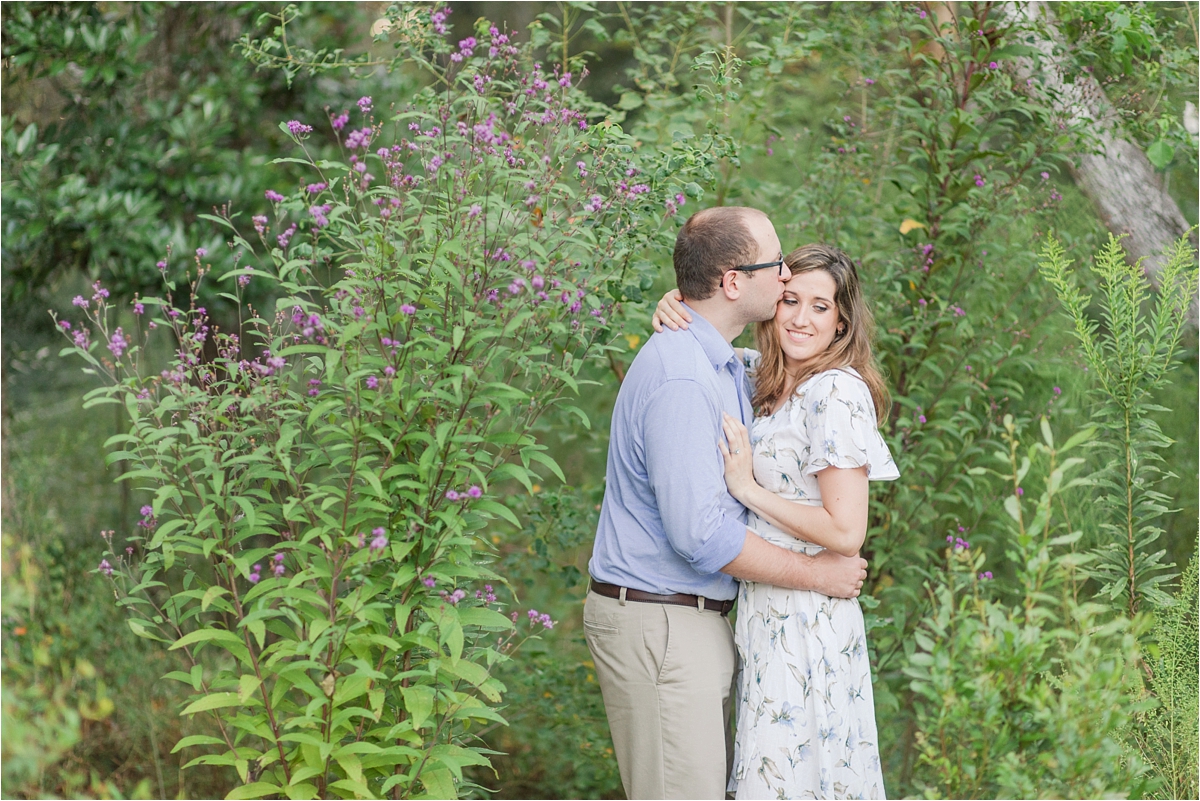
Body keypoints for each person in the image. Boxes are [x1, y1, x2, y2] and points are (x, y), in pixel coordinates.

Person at [585, 207, 871, 801]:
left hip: (709, 625)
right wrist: (817, 573)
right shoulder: (690, 375)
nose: (787, 273)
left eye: (820, 304)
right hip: (663, 622)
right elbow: (701, 536)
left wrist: (683, 302)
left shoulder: (726, 366)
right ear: (735, 282)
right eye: (778, 264)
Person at [653, 243, 897, 799]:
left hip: (809, 622)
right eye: (790, 300)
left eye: (820, 306)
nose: (801, 318)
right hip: (766, 616)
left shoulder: (836, 392)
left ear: (841, 323)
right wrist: (677, 302)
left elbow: (846, 532)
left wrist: (747, 489)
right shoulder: (763, 379)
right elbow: (708, 334)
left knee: (796, 778)